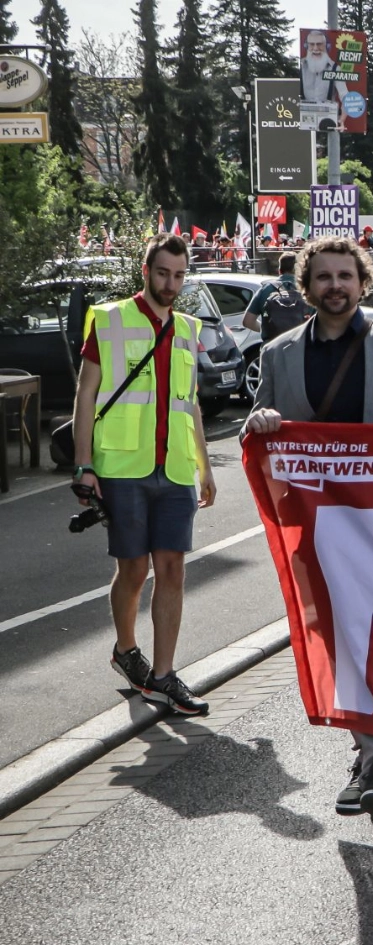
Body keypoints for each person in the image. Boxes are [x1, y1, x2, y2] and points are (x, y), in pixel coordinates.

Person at [243, 237, 373, 831]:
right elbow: (258, 429)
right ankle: (368, 756)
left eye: (346, 276)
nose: (335, 286)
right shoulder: (281, 353)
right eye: (323, 277)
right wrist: (257, 423)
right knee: (341, 639)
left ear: (363, 283)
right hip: (318, 527)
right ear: (306, 287)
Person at [70, 233, 216, 717]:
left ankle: (164, 676)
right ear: (145, 270)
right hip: (122, 467)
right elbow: (86, 395)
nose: (171, 284)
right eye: (163, 273)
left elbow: (189, 403)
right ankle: (126, 651)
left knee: (173, 567)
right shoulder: (110, 321)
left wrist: (205, 466)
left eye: (179, 275)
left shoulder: (190, 329)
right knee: (134, 569)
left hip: (173, 469)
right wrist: (85, 466)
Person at [243, 251, 314, 344]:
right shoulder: (307, 290)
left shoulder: (266, 288)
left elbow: (247, 321)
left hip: (271, 347)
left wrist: (266, 330)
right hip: (300, 348)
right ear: (299, 270)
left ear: (279, 270)